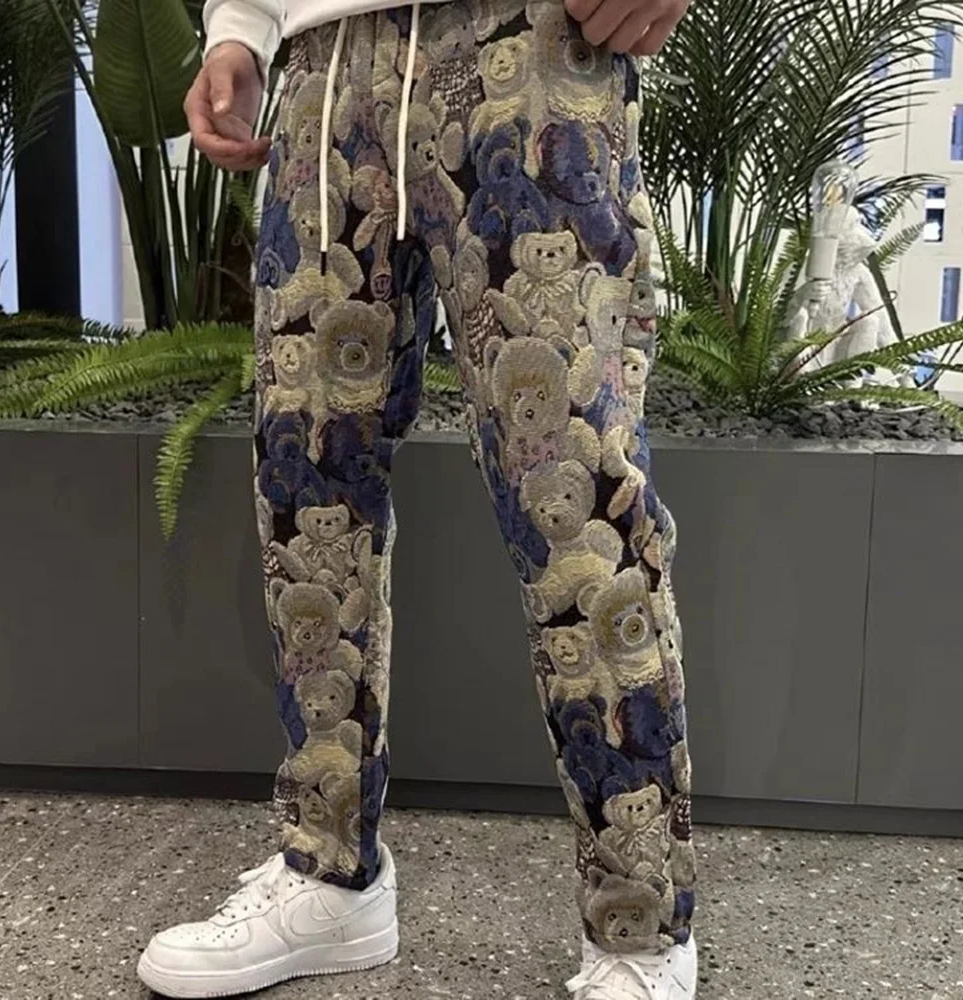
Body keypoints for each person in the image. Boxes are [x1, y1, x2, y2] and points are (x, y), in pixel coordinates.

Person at [136, 0, 695, 996]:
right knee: (308, 500)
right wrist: (241, 28)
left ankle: (640, 930)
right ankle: (330, 874)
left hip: (524, 47)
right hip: (318, 75)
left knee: (575, 503)